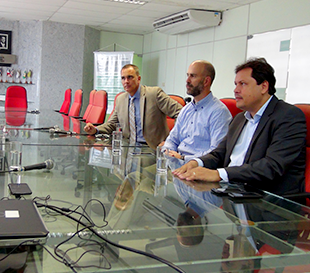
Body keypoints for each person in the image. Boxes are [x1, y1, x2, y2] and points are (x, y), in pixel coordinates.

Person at [173, 58, 306, 195]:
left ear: (264, 87)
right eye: (236, 84)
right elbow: (219, 153)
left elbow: (271, 166)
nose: (236, 90)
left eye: (242, 84)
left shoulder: (288, 116)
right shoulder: (240, 118)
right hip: (232, 193)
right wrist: (197, 163)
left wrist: (218, 174)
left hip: (268, 202)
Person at [84, 64, 183, 148]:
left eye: (130, 77)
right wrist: (96, 130)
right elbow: (112, 124)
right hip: (128, 149)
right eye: (123, 78)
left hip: (151, 149)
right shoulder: (120, 99)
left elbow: (182, 114)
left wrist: (171, 141)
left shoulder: (154, 94)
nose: (126, 81)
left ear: (138, 79)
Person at [161, 60, 232, 166]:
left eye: (193, 76)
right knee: (135, 177)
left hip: (199, 169)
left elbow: (216, 153)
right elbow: (172, 139)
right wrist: (168, 151)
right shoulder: (186, 110)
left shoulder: (219, 112)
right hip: (176, 164)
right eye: (188, 75)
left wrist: (183, 158)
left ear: (206, 81)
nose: (187, 80)